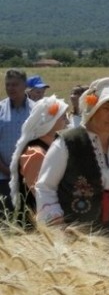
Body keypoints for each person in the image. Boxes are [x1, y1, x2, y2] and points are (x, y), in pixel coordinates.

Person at [35, 77, 109, 237]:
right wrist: (56, 225)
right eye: (106, 108)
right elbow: (45, 186)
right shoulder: (68, 142)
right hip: (73, 236)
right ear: (94, 107)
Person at [9, 96, 68, 227]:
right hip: (39, 223)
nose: (67, 120)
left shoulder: (54, 146)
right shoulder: (36, 153)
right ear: (50, 121)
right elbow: (40, 193)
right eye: (63, 116)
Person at [0, 69, 34, 212]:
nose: (10, 88)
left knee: (28, 220)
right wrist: (6, 169)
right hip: (3, 176)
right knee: (5, 220)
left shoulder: (36, 110)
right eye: (7, 85)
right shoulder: (0, 109)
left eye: (14, 84)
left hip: (31, 177)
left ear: (25, 85)